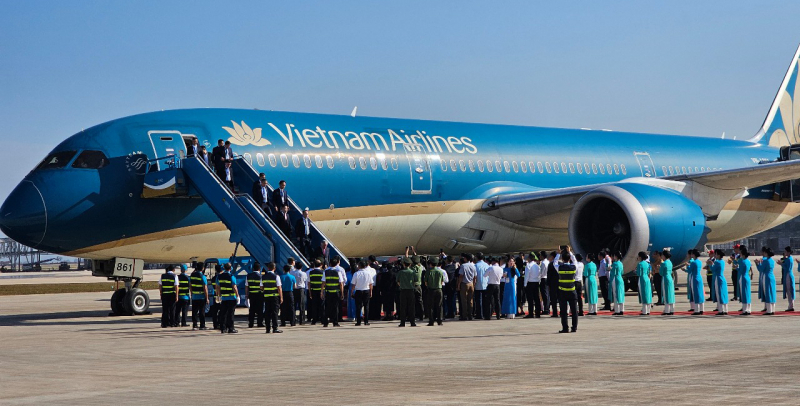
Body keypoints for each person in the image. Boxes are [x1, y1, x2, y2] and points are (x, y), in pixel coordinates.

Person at [556, 248, 578, 333]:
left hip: (562, 292)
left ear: (562, 259)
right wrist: (570, 252)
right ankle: (574, 327)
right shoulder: (573, 267)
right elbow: (575, 261)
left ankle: (565, 328)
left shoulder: (560, 268)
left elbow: (554, 263)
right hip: (572, 292)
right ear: (569, 259)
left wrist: (558, 254)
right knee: (574, 311)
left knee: (564, 312)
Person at [216, 263, 239, 334]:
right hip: (231, 298)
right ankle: (231, 328)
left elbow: (218, 287)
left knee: (223, 313)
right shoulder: (231, 276)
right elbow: (234, 287)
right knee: (230, 314)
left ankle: (223, 328)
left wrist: (219, 296)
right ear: (230, 268)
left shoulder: (219, 277)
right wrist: (237, 296)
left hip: (224, 298)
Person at [754, 247, 777, 315]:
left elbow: (760, 269)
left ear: (766, 253)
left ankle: (769, 310)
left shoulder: (766, 260)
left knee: (767, 293)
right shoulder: (772, 260)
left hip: (766, 277)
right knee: (772, 293)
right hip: (772, 276)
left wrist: (757, 264)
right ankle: (772, 309)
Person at [425, 257, 447, 325]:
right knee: (439, 306)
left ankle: (431, 321)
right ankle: (439, 320)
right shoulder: (440, 271)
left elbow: (426, 282)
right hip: (439, 289)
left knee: (430, 306)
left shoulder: (428, 272)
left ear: (431, 264)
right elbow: (442, 281)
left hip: (431, 290)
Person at [322, 258, 344, 327]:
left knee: (327, 307)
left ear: (330, 264)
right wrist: (342, 293)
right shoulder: (338, 272)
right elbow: (341, 283)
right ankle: (335, 322)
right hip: (336, 292)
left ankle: (325, 322)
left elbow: (323, 282)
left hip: (328, 292)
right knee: (335, 307)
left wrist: (321, 292)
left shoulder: (325, 271)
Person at [350, 261, 373, 326]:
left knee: (358, 307)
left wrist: (352, 292)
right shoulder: (368, 274)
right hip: (366, 290)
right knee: (366, 307)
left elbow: (353, 284)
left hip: (358, 291)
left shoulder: (356, 274)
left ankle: (358, 321)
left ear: (359, 266)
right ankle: (366, 321)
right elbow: (371, 284)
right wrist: (371, 292)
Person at [262, 262, 283, 333]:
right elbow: (279, 288)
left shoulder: (263, 276)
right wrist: (281, 297)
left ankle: (267, 328)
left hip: (267, 296)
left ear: (268, 268)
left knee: (267, 312)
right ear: (274, 268)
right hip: (274, 297)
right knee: (275, 313)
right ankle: (275, 328)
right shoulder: (276, 276)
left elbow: (261, 287)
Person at [396, 257, 417, 327]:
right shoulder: (413, 272)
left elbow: (398, 281)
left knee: (403, 307)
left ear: (404, 264)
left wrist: (402, 285)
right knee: (411, 307)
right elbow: (415, 281)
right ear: (410, 264)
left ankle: (402, 322)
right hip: (411, 290)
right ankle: (412, 322)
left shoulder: (400, 272)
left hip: (403, 291)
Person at [685, 249, 705, 315]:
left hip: (694, 278)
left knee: (695, 293)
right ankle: (702, 309)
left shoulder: (693, 262)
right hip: (699, 278)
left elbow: (690, 270)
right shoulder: (699, 262)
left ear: (694, 255)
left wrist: (687, 265)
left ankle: (696, 310)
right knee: (700, 293)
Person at [189, 262, 209, 330]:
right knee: (202, 312)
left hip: (194, 296)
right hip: (201, 297)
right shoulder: (203, 277)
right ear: (203, 268)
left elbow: (190, 286)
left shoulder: (192, 276)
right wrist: (207, 298)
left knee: (194, 311)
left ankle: (195, 325)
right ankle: (202, 325)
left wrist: (192, 293)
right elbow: (205, 288)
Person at [457, 253, 476, 320]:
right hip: (471, 283)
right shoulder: (473, 266)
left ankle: (464, 316)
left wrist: (459, 285)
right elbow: (475, 277)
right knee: (470, 300)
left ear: (465, 259)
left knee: (464, 300)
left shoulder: (463, 266)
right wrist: (473, 284)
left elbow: (461, 276)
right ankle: (470, 315)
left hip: (464, 283)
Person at [245, 263, 264, 328]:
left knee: (252, 310)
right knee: (260, 310)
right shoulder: (261, 276)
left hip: (251, 294)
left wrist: (246, 294)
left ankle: (251, 323)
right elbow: (262, 286)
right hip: (259, 294)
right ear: (259, 269)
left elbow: (246, 286)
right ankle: (259, 323)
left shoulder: (248, 276)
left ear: (253, 269)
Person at [523, 253, 542, 318]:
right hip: (536, 283)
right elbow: (540, 275)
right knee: (537, 298)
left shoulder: (528, 266)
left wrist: (525, 284)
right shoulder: (537, 266)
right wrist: (539, 281)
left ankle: (531, 313)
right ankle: (538, 313)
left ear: (529, 258)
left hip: (530, 283)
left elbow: (526, 276)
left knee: (530, 299)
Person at [777, 246, 795, 311]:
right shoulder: (788, 258)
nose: (784, 253)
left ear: (788, 252)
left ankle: (791, 306)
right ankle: (790, 305)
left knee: (789, 290)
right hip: (786, 275)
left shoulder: (789, 259)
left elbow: (786, 267)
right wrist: (782, 260)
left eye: (785, 251)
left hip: (788, 275)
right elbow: (782, 261)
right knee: (788, 290)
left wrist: (781, 264)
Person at [710, 250, 729, 315]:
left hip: (718, 278)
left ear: (718, 255)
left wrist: (711, 264)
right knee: (723, 293)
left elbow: (713, 269)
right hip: (722, 278)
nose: (714, 255)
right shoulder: (722, 261)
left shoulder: (717, 262)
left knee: (719, 294)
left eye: (715, 254)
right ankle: (725, 309)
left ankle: (721, 310)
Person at [307, 259, 325, 324]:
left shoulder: (310, 272)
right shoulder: (323, 272)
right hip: (321, 291)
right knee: (322, 305)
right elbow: (324, 282)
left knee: (314, 306)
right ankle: (322, 319)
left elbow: (309, 283)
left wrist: (309, 292)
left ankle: (314, 320)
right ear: (320, 265)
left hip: (313, 290)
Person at [473, 253, 489, 319]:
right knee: (485, 300)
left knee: (478, 300)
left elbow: (474, 276)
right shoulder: (486, 265)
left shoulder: (476, 265)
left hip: (478, 285)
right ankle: (485, 314)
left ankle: (479, 314)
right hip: (486, 284)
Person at [659, 251, 675, 315]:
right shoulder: (670, 262)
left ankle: (666, 310)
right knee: (671, 294)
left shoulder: (664, 263)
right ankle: (672, 309)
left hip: (665, 278)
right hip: (670, 278)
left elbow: (661, 273)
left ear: (664, 256)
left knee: (666, 294)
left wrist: (659, 267)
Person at [738, 247, 753, 315]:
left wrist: (736, 268)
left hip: (743, 277)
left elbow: (740, 270)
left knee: (744, 293)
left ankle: (744, 310)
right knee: (748, 293)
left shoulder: (743, 261)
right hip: (747, 277)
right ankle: (749, 309)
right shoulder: (748, 261)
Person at [546, 251, 560, 317]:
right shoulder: (560, 263)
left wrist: (548, 284)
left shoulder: (551, 265)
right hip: (559, 283)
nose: (549, 258)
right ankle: (563, 311)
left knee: (553, 299)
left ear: (553, 257)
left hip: (552, 284)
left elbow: (549, 275)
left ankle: (555, 312)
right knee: (560, 299)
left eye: (550, 257)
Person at [208, 265, 221, 330]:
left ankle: (215, 324)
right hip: (220, 296)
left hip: (215, 296)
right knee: (222, 311)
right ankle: (220, 323)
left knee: (215, 311)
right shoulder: (221, 277)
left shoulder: (213, 278)